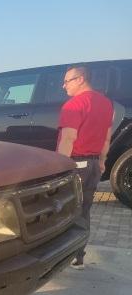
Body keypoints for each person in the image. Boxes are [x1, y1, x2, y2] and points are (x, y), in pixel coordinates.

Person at [57, 65, 113, 270]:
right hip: (93, 165)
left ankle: (63, 256)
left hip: (75, 165)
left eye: (67, 81)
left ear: (80, 79)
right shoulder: (107, 104)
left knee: (65, 211)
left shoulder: (74, 104)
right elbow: (106, 138)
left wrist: (59, 168)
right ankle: (78, 256)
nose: (64, 86)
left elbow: (69, 138)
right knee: (84, 211)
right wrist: (101, 161)